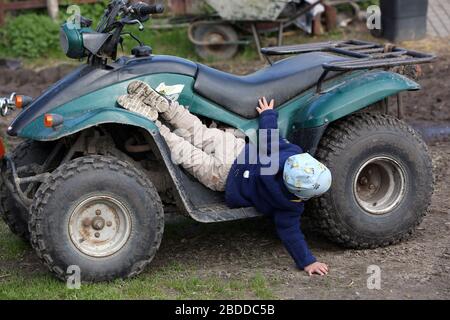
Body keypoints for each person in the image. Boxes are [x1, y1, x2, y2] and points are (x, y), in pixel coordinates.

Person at [118, 80, 332, 276]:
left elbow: (270, 135)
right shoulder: (289, 204)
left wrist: (268, 114)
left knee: (197, 131)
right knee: (181, 150)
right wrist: (307, 261)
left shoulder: (288, 154)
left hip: (236, 151)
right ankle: (152, 123)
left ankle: (168, 107)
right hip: (223, 176)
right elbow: (290, 233)